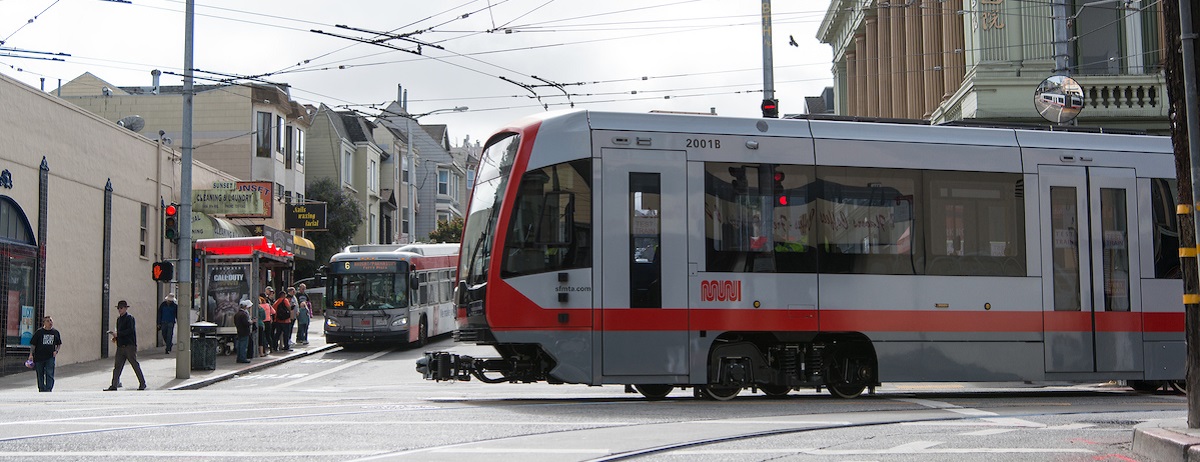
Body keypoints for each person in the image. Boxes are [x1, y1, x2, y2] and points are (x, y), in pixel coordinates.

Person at [105, 300, 147, 391]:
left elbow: (130, 331)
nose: (119, 310)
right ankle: (114, 385)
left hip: (129, 345)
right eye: (118, 308)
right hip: (120, 346)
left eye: (121, 308)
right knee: (117, 367)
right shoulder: (119, 319)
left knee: (134, 365)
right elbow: (120, 332)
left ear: (125, 308)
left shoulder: (130, 318)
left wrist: (118, 334)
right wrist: (115, 337)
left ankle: (142, 383)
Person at [27, 316, 61, 392]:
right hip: (39, 357)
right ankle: (41, 388)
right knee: (40, 373)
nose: (50, 323)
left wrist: (56, 351)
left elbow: (59, 344)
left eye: (51, 321)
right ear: (44, 323)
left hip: (50, 357)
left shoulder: (55, 332)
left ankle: (49, 388)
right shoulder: (39, 332)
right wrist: (31, 354)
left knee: (49, 372)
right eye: (48, 321)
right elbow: (33, 344)